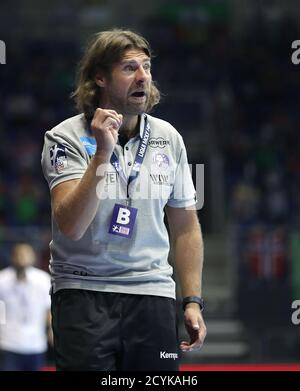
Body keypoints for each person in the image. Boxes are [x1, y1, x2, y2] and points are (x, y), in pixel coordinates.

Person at [41, 28, 206, 371]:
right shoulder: (64, 137)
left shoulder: (169, 138)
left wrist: (191, 300)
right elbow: (71, 225)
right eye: (130, 68)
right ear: (99, 77)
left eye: (146, 67)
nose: (143, 76)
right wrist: (102, 154)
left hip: (153, 295)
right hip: (83, 292)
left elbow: (186, 225)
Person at [0, 243, 52, 371]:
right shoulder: (2, 279)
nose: (22, 257)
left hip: (36, 343)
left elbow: (48, 308)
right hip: (9, 343)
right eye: (18, 254)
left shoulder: (43, 279)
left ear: (33, 257)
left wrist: (51, 330)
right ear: (12, 257)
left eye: (26, 254)